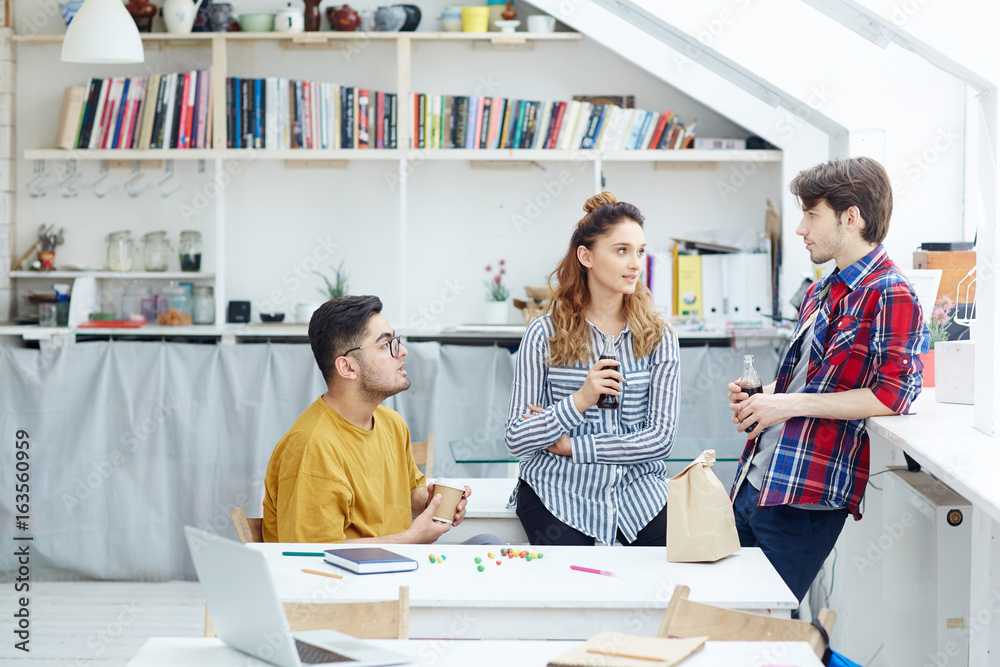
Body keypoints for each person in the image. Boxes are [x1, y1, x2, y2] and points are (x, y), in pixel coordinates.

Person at [727, 157, 929, 604]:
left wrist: (787, 405)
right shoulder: (824, 288)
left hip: (803, 496)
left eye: (811, 214)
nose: (801, 228)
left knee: (761, 624)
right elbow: (811, 382)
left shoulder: (891, 292)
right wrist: (763, 398)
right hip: (756, 479)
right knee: (724, 618)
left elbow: (894, 395)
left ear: (851, 217)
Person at [505, 191, 681, 546]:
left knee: (667, 572)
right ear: (586, 256)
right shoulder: (544, 333)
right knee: (571, 576)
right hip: (557, 492)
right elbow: (518, 437)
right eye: (622, 251)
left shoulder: (659, 337)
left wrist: (572, 446)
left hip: (638, 494)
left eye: (640, 251)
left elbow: (661, 439)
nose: (635, 264)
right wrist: (580, 400)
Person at [262, 295, 471, 544]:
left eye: (395, 340)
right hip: (350, 572)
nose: (402, 351)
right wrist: (411, 538)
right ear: (348, 367)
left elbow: (408, 494)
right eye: (385, 344)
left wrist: (436, 502)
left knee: (486, 541)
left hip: (397, 565)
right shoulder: (312, 446)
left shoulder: (392, 424)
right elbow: (312, 554)